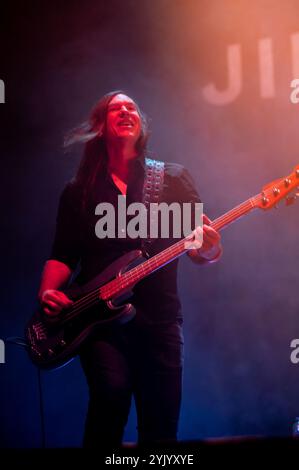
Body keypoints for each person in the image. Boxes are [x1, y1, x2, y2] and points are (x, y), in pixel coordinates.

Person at [38, 91, 222, 448]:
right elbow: (62, 255)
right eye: (114, 108)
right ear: (100, 128)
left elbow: (201, 250)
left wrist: (211, 247)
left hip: (161, 320)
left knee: (161, 427)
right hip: (100, 321)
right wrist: (47, 293)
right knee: (110, 399)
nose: (125, 111)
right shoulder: (78, 191)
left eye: (131, 107)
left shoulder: (173, 179)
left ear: (141, 124)